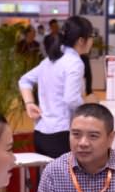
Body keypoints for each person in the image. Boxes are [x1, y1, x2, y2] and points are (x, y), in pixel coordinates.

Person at [19, 16, 92, 159]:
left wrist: (29, 103)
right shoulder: (74, 62)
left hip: (41, 132)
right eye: (91, 36)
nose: (92, 41)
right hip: (61, 135)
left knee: (47, 174)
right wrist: (89, 106)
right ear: (81, 40)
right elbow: (71, 99)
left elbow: (24, 80)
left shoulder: (51, 59)